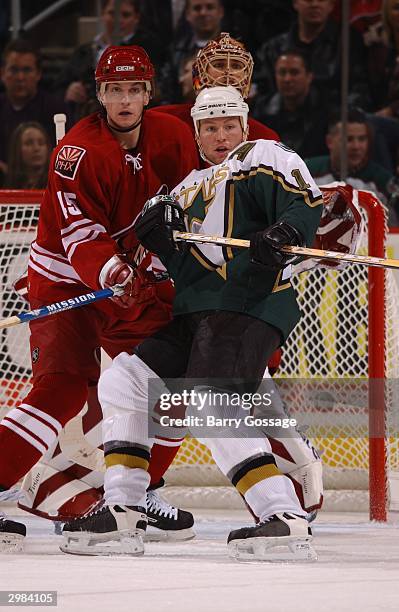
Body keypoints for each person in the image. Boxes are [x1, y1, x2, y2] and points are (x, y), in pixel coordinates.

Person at [60, 85, 322, 561]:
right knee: (126, 380)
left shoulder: (264, 156)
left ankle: (282, 515)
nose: (220, 136)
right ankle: (123, 507)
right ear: (197, 134)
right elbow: (175, 272)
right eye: (209, 128)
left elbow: (304, 202)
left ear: (243, 125)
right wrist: (157, 245)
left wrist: (284, 232)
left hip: (251, 304)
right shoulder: (184, 190)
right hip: (196, 314)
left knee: (207, 398)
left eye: (228, 125)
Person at [0, 45, 199, 552]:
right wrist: (112, 270)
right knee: (64, 387)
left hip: (132, 279)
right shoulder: (77, 153)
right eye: (115, 90)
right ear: (100, 93)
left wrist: (151, 268)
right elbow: (81, 235)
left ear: (148, 93)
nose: (125, 100)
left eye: (134, 90)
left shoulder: (174, 136)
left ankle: (140, 490)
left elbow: (188, 207)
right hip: (66, 279)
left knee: (172, 377)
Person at [155, 32, 280, 142]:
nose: (228, 71)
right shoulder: (164, 121)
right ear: (201, 74)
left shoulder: (266, 138)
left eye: (236, 66)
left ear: (247, 78)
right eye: (219, 64)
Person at [53, 0, 166, 121]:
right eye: (112, 14)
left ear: (136, 18)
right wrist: (68, 91)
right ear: (103, 14)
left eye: (125, 15)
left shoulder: (150, 50)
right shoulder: (84, 51)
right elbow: (57, 88)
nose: (118, 21)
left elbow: (160, 90)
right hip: (86, 120)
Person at [255, 0, 371, 110]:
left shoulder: (349, 42)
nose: (314, 4)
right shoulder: (272, 49)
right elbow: (262, 95)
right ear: (295, 3)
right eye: (308, 0)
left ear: (331, 5)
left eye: (321, 0)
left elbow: (360, 90)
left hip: (334, 121)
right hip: (283, 121)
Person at [306, 108, 393, 218]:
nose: (356, 147)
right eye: (349, 139)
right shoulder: (308, 171)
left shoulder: (382, 181)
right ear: (329, 142)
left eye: (362, 139)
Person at [0, 39, 69, 168]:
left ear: (38, 74)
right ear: (2, 73)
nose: (20, 77)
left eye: (27, 70)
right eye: (14, 70)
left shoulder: (56, 109)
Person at [253, 48, 329, 159]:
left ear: (309, 77)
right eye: (282, 72)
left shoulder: (326, 111)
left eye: (294, 72)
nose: (287, 79)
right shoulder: (260, 110)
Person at [4, 121, 51, 189]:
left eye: (41, 143)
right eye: (29, 143)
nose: (36, 148)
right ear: (17, 149)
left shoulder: (55, 183)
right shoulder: (7, 184)